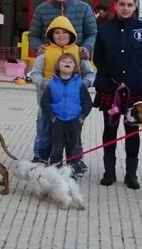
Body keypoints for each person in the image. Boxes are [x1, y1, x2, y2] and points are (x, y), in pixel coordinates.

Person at [92, 0, 142, 189]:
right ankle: (109, 172)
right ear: (115, 5)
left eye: (129, 5)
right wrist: (114, 78)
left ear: (135, 6)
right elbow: (98, 59)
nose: (125, 8)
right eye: (122, 4)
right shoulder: (104, 29)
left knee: (132, 131)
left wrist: (135, 70)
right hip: (110, 88)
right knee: (109, 129)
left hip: (135, 88)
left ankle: (131, 174)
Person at [26, 15, 96, 168]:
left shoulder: (78, 52)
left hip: (72, 107)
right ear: (51, 34)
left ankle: (76, 160)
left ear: (71, 34)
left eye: (64, 32)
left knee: (75, 134)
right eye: (57, 32)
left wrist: (81, 85)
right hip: (48, 102)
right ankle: (41, 156)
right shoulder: (44, 52)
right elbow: (35, 73)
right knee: (44, 129)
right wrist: (44, 84)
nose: (61, 35)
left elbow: (91, 74)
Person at [41, 54, 94, 174]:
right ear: (58, 66)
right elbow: (45, 102)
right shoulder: (52, 84)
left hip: (75, 121)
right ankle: (55, 169)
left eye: (71, 62)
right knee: (57, 146)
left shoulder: (79, 84)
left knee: (74, 146)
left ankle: (72, 170)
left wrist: (81, 117)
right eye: (64, 61)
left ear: (75, 67)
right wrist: (52, 116)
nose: (67, 63)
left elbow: (87, 102)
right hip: (58, 121)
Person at [28, 0, 98, 57]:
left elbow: (92, 33)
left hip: (76, 59)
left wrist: (87, 47)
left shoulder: (84, 8)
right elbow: (33, 35)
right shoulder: (40, 10)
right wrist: (37, 47)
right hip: (48, 60)